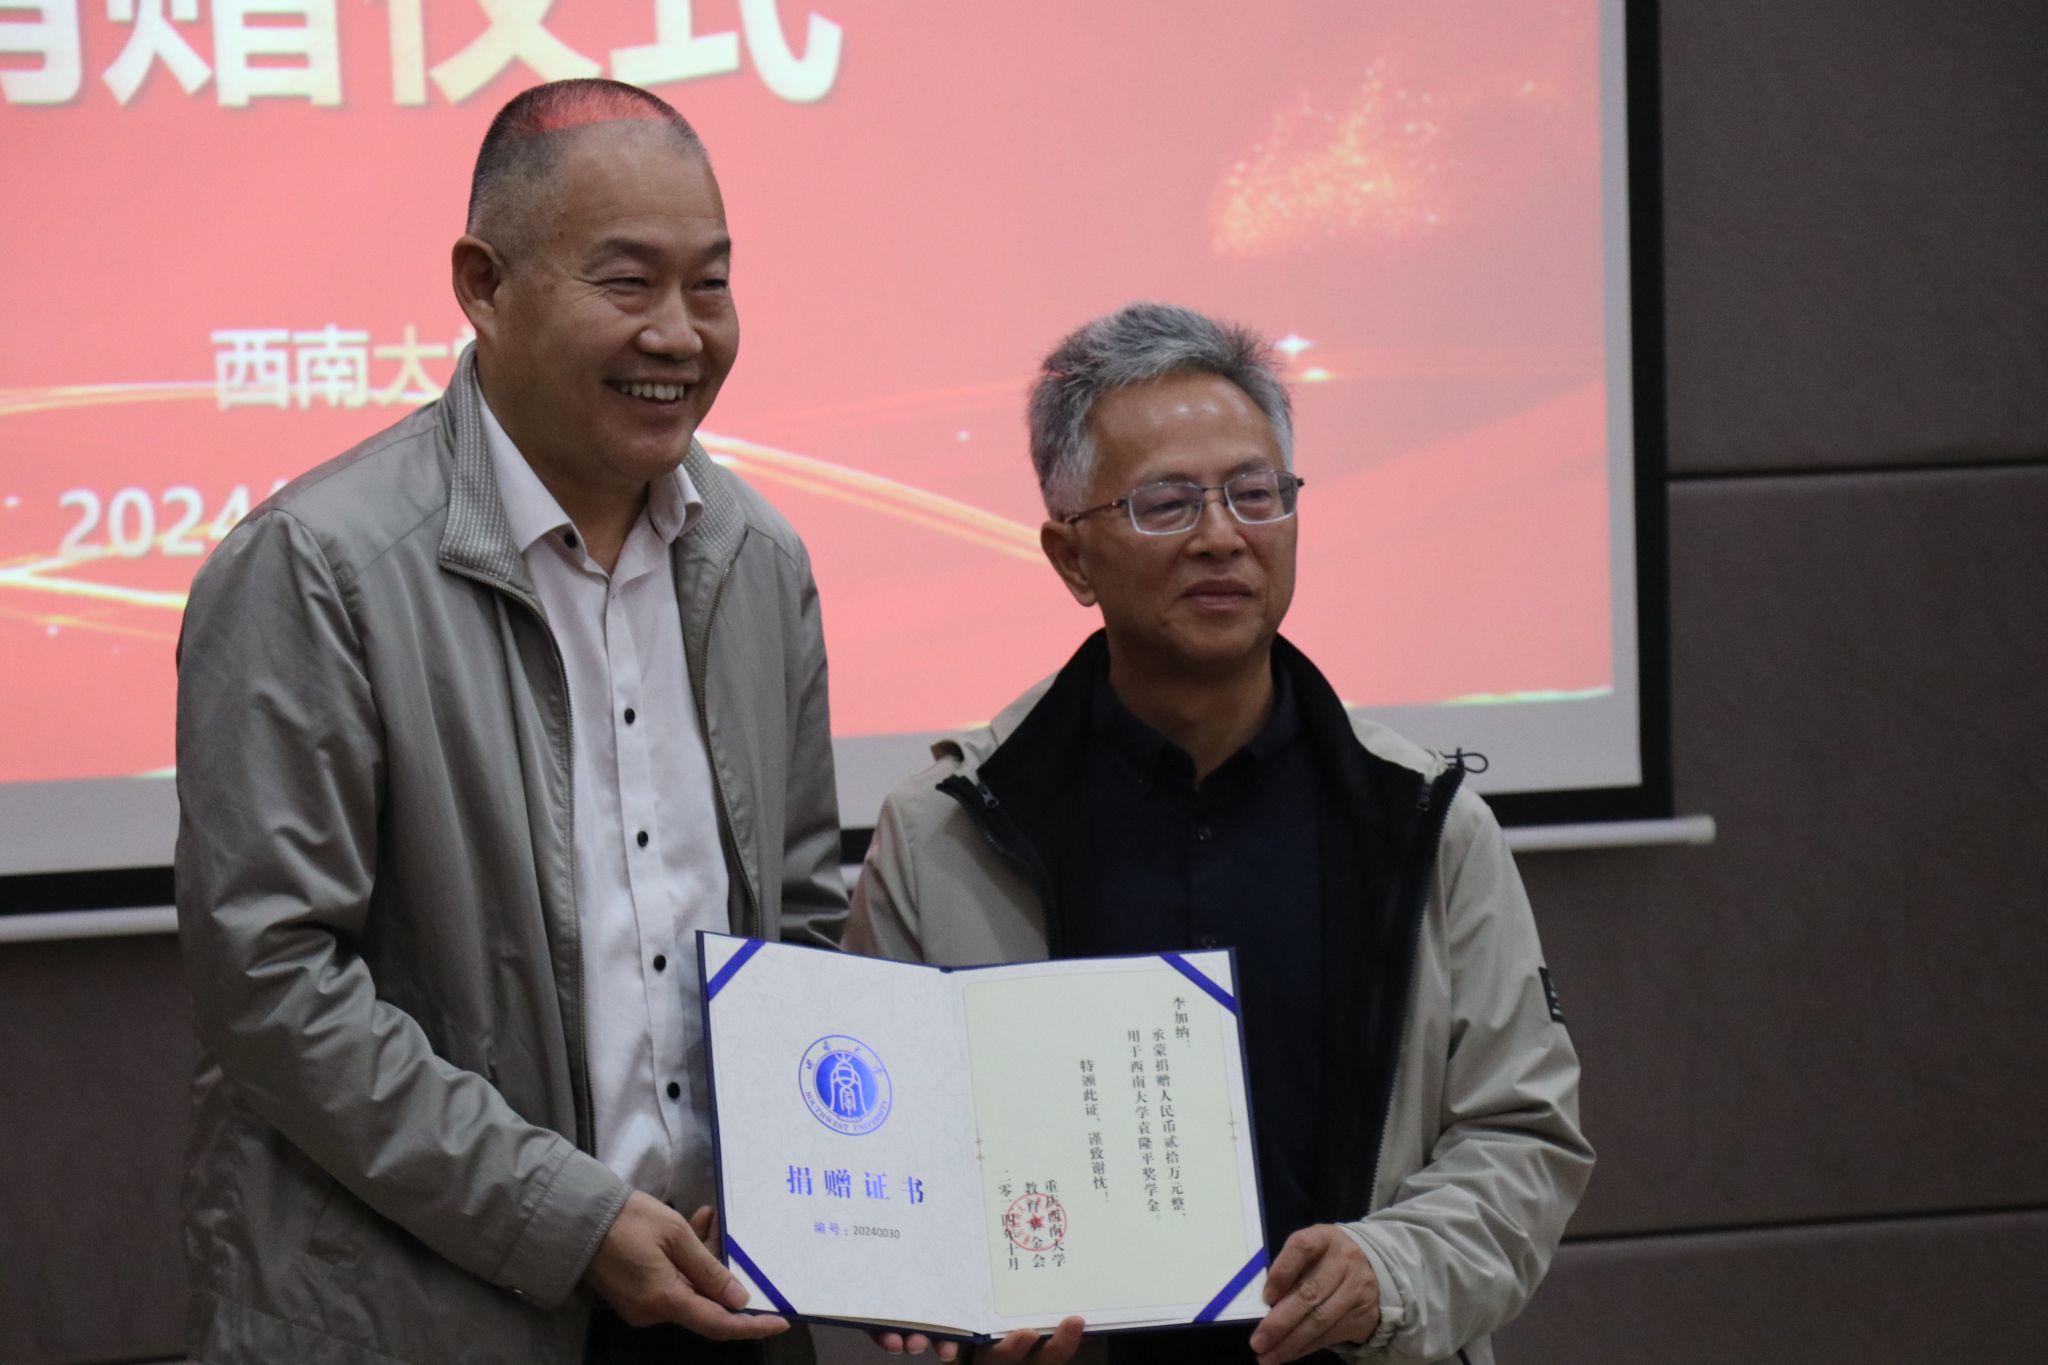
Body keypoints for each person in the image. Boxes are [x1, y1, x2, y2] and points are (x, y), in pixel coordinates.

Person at [174, 80, 843, 1365]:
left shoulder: (758, 561)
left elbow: (800, 923)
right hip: (422, 1311)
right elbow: (270, 986)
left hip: (721, 1299)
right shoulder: (317, 567)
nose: (678, 334)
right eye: (627, 282)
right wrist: (569, 1222)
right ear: (482, 285)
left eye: (709, 285)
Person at [847, 303, 1593, 1365]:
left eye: (1255, 494)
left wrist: (1388, 1269)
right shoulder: (945, 835)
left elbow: (1522, 1138)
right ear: (1070, 557)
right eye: (1166, 503)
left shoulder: (1420, 822)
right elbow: (887, 1169)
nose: (1220, 536)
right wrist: (941, 1303)